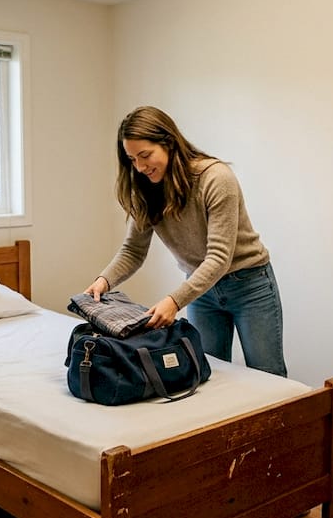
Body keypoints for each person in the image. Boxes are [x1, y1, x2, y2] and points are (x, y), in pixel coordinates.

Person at [83, 105, 288, 377]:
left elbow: (219, 257)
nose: (140, 167)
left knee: (268, 375)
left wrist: (174, 301)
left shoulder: (215, 178)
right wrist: (103, 282)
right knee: (206, 373)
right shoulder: (145, 189)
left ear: (168, 142)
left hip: (249, 285)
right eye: (132, 160)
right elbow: (133, 250)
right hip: (202, 291)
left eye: (145, 155)